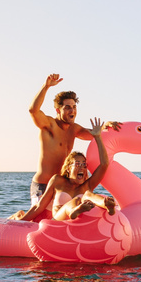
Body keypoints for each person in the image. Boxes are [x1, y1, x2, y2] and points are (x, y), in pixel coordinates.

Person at [26, 74, 121, 207]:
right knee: (41, 218)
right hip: (43, 185)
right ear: (58, 110)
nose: (72, 110)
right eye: (67, 107)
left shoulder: (74, 129)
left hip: (61, 187)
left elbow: (94, 134)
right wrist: (46, 86)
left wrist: (106, 126)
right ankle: (18, 217)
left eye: (74, 107)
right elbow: (33, 110)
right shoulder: (49, 125)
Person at [11, 118, 116, 222]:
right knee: (75, 200)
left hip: (77, 225)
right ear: (68, 168)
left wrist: (98, 137)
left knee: (88, 194)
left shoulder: (87, 185)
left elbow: (104, 164)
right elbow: (39, 206)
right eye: (78, 164)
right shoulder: (57, 181)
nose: (82, 167)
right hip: (58, 221)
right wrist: (20, 222)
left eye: (84, 165)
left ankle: (106, 203)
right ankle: (74, 210)